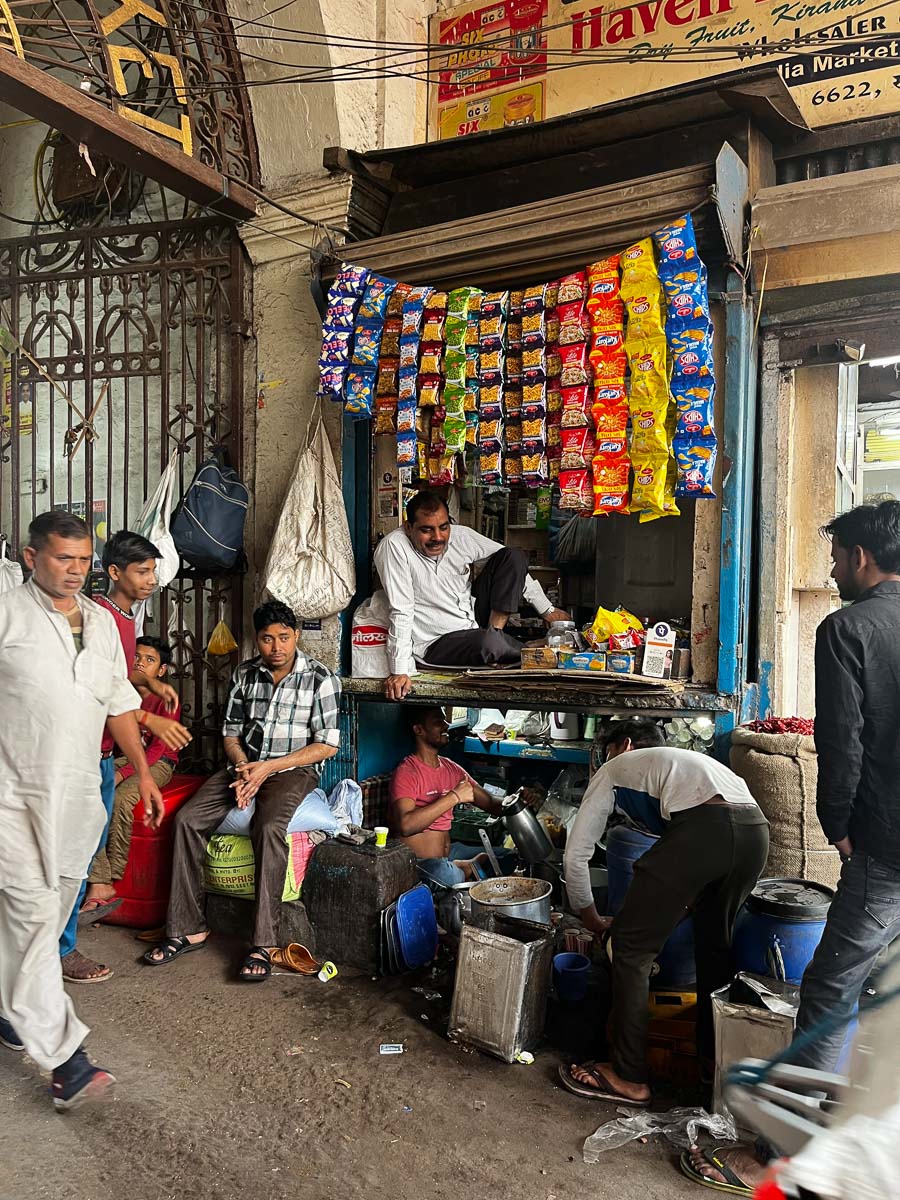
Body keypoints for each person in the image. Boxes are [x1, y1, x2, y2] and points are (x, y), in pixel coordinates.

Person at [686, 501, 900, 1195]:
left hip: (888, 845)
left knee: (832, 990)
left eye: (837, 557)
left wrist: (839, 823)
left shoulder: (849, 628)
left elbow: (842, 742)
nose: (834, 570)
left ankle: (779, 1155)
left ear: (863, 558)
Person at [0, 510, 164, 1109]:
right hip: (12, 798)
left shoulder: (99, 622)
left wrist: (142, 773)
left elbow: (117, 700)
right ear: (30, 556)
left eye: (82, 558)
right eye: (62, 558)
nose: (74, 570)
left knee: (53, 904)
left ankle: (11, 1011)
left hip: (77, 799)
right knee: (33, 918)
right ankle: (68, 1059)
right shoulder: (7, 616)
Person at [559, 718, 768, 1108]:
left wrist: (589, 916)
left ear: (622, 746)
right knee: (713, 950)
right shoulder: (683, 762)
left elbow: (576, 856)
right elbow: (686, 870)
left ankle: (628, 1075)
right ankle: (711, 1061)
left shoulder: (613, 769)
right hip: (755, 832)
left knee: (631, 952)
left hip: (706, 830)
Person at [143, 600, 342, 981]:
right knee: (186, 820)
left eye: (284, 637)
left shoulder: (321, 678)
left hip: (291, 770)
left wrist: (267, 768)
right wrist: (242, 768)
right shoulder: (245, 675)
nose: (276, 647)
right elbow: (231, 733)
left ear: (296, 636)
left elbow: (327, 745)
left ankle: (264, 942)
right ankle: (188, 927)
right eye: (267, 639)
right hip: (244, 764)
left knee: (268, 828)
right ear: (257, 639)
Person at [63, 530, 190, 984]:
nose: (152, 579)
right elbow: (98, 688)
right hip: (79, 751)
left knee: (82, 849)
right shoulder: (98, 617)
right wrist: (150, 719)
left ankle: (70, 931)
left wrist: (150, 685)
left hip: (100, 750)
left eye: (154, 570)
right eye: (142, 570)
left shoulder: (126, 616)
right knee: (71, 855)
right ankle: (61, 948)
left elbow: (120, 673)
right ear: (114, 573)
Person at [374, 491, 569, 701]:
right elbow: (401, 609)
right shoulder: (394, 547)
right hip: (435, 643)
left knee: (513, 556)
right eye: (426, 530)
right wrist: (399, 670)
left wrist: (547, 610)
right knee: (489, 644)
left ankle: (498, 640)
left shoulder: (461, 537)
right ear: (409, 527)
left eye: (443, 527)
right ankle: (520, 649)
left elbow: (514, 566)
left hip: (473, 626)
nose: (437, 537)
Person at [86, 637, 182, 904]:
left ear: (161, 671)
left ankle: (114, 874)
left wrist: (122, 774)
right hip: (121, 759)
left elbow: (156, 751)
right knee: (91, 799)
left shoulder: (165, 700)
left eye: (150, 660)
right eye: (136, 657)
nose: (140, 663)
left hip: (158, 764)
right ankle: (99, 878)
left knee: (119, 799)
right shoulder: (122, 692)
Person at [390, 706, 507, 887]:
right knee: (443, 873)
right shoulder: (407, 771)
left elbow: (492, 804)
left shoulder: (451, 768)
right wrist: (453, 797)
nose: (447, 726)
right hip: (418, 863)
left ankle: (460, 868)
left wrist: (517, 800)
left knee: (506, 856)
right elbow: (406, 825)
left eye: (445, 721)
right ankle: (463, 870)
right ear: (418, 729)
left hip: (449, 853)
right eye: (439, 722)